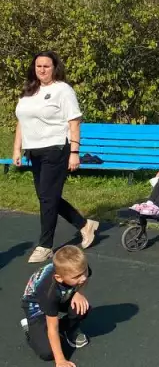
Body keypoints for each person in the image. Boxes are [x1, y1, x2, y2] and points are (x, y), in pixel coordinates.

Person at [13, 51, 99, 264]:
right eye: (38, 66)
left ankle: (45, 245)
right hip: (34, 151)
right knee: (46, 197)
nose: (42, 70)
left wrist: (75, 153)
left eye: (46, 66)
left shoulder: (63, 90)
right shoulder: (29, 91)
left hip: (57, 148)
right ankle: (84, 224)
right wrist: (17, 149)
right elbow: (21, 122)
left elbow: (74, 122)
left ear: (54, 68)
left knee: (48, 198)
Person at [20, 245, 91, 367]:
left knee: (82, 308)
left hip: (60, 295)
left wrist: (78, 293)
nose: (83, 278)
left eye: (84, 272)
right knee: (47, 352)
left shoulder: (78, 269)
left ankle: (68, 330)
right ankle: (30, 330)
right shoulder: (49, 291)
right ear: (59, 277)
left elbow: (84, 278)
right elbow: (52, 327)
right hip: (36, 306)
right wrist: (60, 360)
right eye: (77, 277)